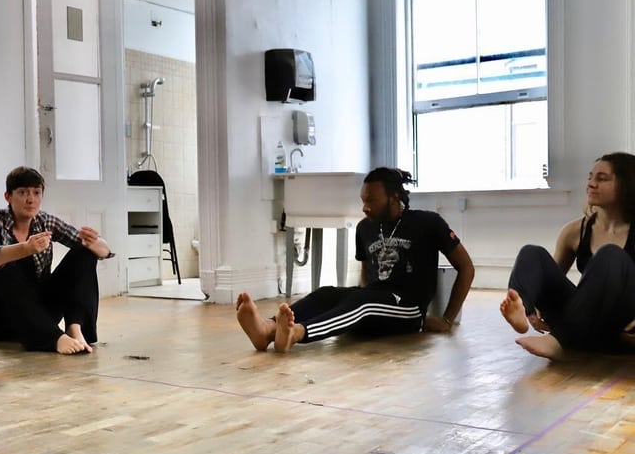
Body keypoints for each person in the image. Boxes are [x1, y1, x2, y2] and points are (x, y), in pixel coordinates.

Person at [236, 167, 475, 353]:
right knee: (327, 293)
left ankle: (296, 333)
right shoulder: (364, 228)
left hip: (408, 309)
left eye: (371, 200)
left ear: (393, 197)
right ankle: (267, 329)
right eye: (363, 200)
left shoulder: (428, 223)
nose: (365, 208)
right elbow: (366, 271)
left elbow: (466, 268)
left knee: (365, 301)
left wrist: (447, 319)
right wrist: (352, 301)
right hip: (374, 300)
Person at [0, 166, 114, 354]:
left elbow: (99, 249)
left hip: (35, 314)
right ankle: (52, 338)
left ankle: (75, 328)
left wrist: (97, 243)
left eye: (36, 193)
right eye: (22, 192)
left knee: (83, 252)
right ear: (8, 196)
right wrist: (23, 249)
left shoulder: (45, 221)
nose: (30, 199)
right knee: (2, 265)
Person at [500, 152, 635, 359]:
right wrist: (534, 303)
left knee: (610, 255)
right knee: (531, 252)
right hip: (583, 325)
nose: (591, 184)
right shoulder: (575, 230)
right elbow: (549, 277)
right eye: (590, 177)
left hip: (621, 330)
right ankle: (522, 310)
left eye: (602, 178)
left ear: (627, 185)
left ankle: (559, 340)